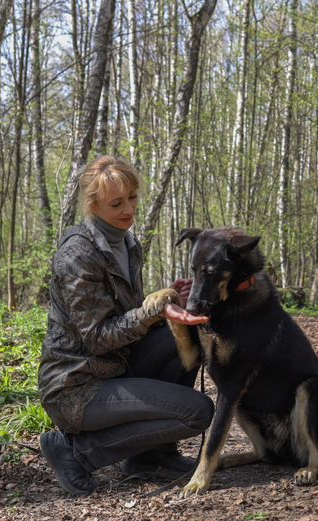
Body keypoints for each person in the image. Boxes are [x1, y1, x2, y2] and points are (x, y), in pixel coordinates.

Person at [38, 155, 213, 495]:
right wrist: (153, 310)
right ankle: (75, 451)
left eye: (132, 198)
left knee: (185, 332)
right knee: (197, 412)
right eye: (116, 203)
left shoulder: (126, 243)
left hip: (113, 367)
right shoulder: (77, 255)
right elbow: (98, 338)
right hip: (76, 386)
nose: (128, 210)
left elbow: (121, 313)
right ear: (93, 205)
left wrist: (168, 298)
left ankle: (152, 457)